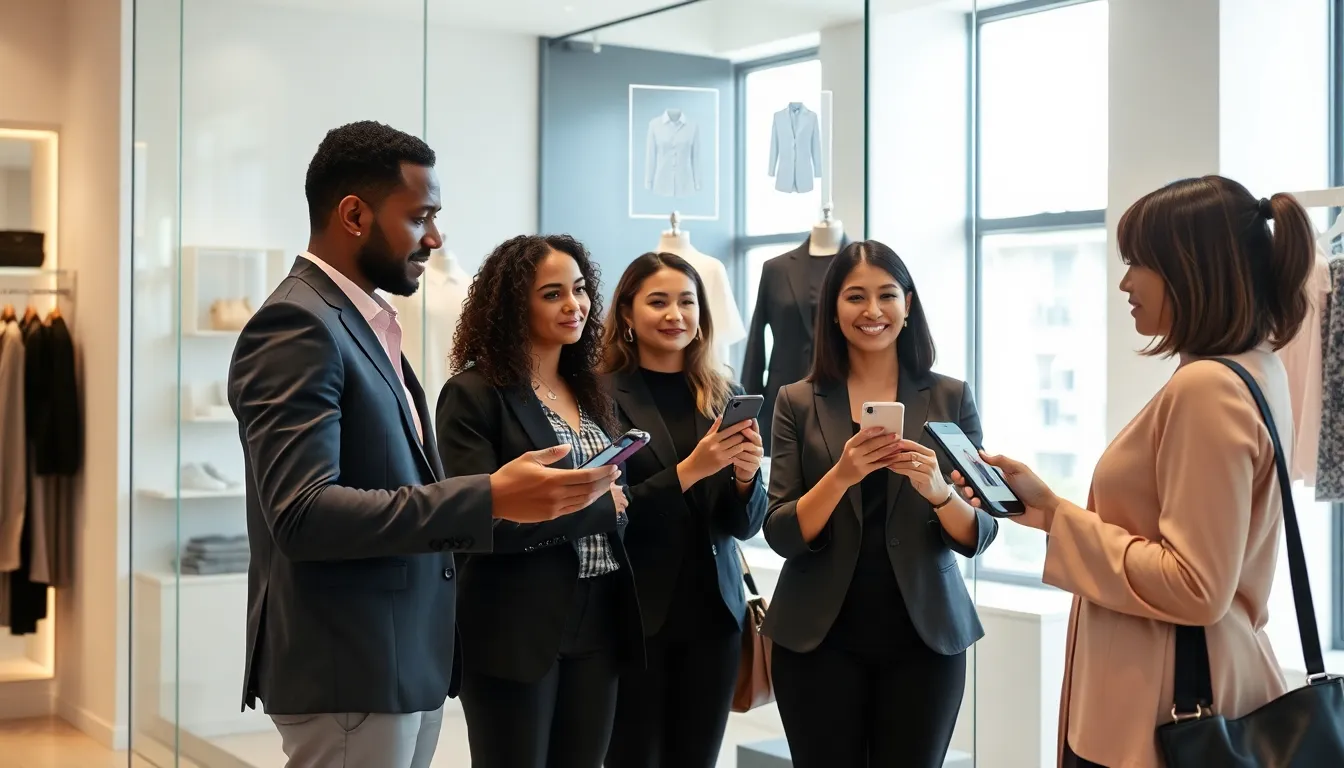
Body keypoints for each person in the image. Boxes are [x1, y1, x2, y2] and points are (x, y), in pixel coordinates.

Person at [226, 122, 619, 768]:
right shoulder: (298, 324)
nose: (436, 239)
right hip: (350, 669)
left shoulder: (361, 323)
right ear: (354, 215)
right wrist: (490, 495)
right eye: (421, 218)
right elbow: (302, 513)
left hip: (400, 664)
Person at [951, 175, 1315, 768]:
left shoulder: (1206, 389)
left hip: (1160, 708)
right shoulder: (1256, 368)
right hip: (1181, 686)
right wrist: (1046, 510)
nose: (1125, 283)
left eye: (1139, 263)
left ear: (1191, 268)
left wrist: (1062, 520)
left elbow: (1195, 585)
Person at [760, 240, 1000, 768]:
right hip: (817, 641)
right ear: (832, 309)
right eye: (855, 297)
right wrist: (842, 475)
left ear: (908, 304)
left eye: (886, 295)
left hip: (925, 640)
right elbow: (780, 532)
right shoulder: (796, 401)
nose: (872, 311)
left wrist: (938, 492)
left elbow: (980, 532)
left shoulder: (950, 397)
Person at [435, 234, 643, 768]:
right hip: (515, 623)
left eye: (578, 290)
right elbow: (477, 522)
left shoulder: (591, 388)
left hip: (600, 612)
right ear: (512, 306)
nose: (574, 305)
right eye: (552, 294)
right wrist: (600, 506)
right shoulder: (473, 394)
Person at [599, 252, 768, 768]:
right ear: (627, 314)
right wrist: (693, 468)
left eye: (687, 302)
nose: (675, 314)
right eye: (658, 302)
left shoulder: (724, 393)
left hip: (715, 617)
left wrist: (744, 475)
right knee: (633, 757)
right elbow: (613, 511)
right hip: (635, 613)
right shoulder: (600, 394)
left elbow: (744, 524)